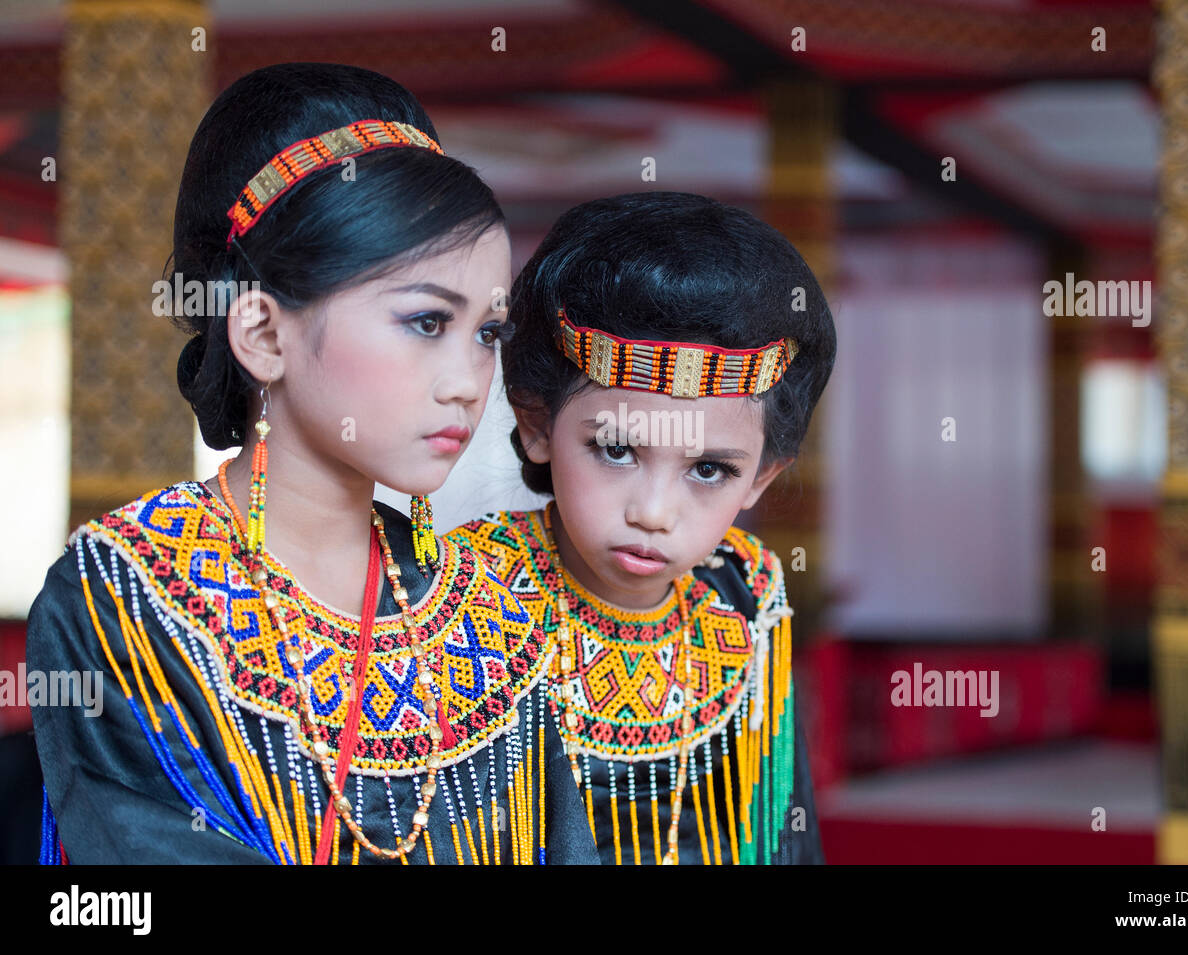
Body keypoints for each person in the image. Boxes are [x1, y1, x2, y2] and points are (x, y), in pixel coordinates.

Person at [27, 62, 597, 865]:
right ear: (262, 332)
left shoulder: (493, 606)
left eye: (487, 333)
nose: (468, 382)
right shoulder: (126, 595)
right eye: (427, 320)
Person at [450, 191, 835, 864]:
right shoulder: (466, 598)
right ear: (538, 423)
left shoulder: (744, 599)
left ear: (762, 478)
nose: (653, 512)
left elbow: (783, 836)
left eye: (710, 469)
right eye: (618, 450)